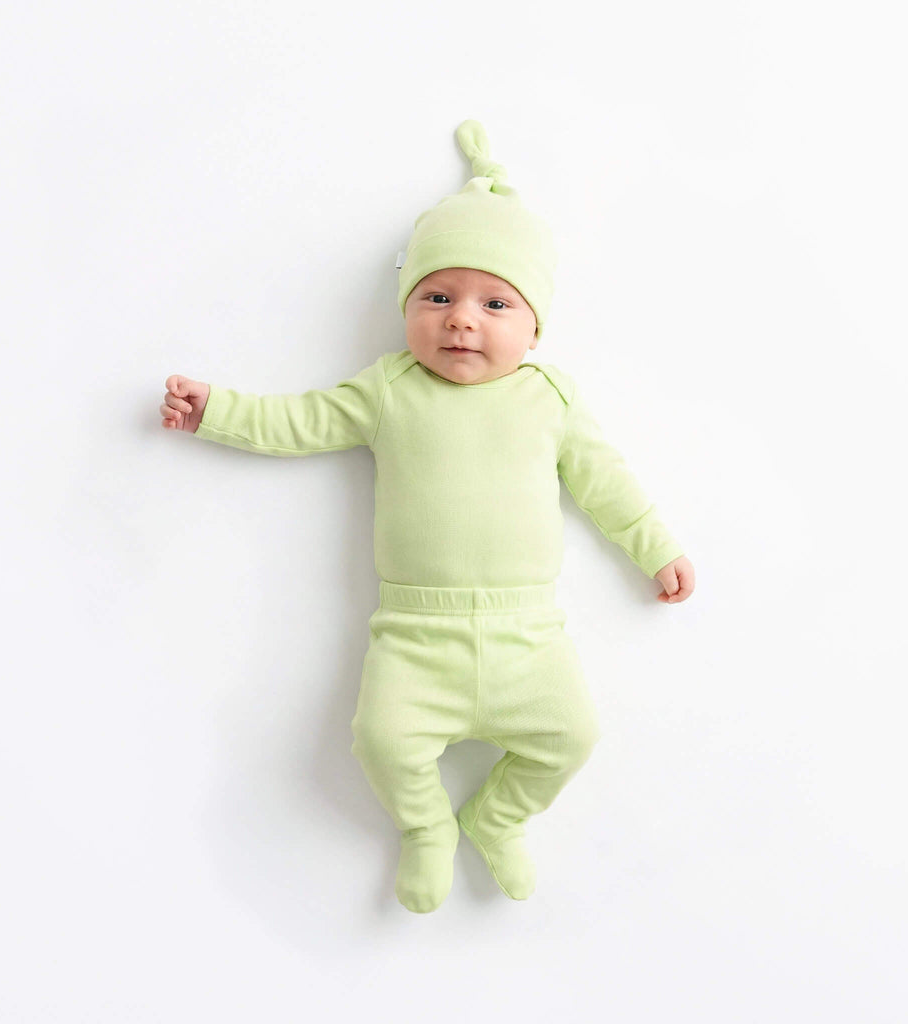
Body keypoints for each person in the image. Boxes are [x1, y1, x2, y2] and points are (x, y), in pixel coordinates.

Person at [159, 120, 695, 913]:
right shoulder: (389, 388)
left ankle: (497, 818)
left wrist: (657, 549)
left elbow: (605, 482)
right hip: (415, 633)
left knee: (571, 738)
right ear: (408, 306)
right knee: (382, 741)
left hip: (527, 634)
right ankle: (427, 829)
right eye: (437, 296)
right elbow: (300, 420)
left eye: (494, 302)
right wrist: (216, 410)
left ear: (535, 325)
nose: (461, 319)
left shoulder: (549, 399)